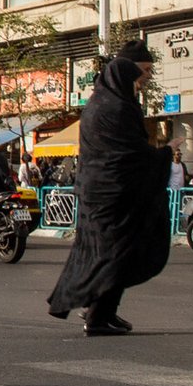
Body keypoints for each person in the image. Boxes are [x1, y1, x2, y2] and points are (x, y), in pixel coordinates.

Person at [47, 40, 172, 335]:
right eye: (141, 72)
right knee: (114, 254)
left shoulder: (99, 105)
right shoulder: (116, 108)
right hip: (112, 196)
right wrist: (165, 154)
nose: (144, 79)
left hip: (101, 193)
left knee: (111, 253)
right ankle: (97, 317)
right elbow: (127, 153)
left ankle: (104, 310)